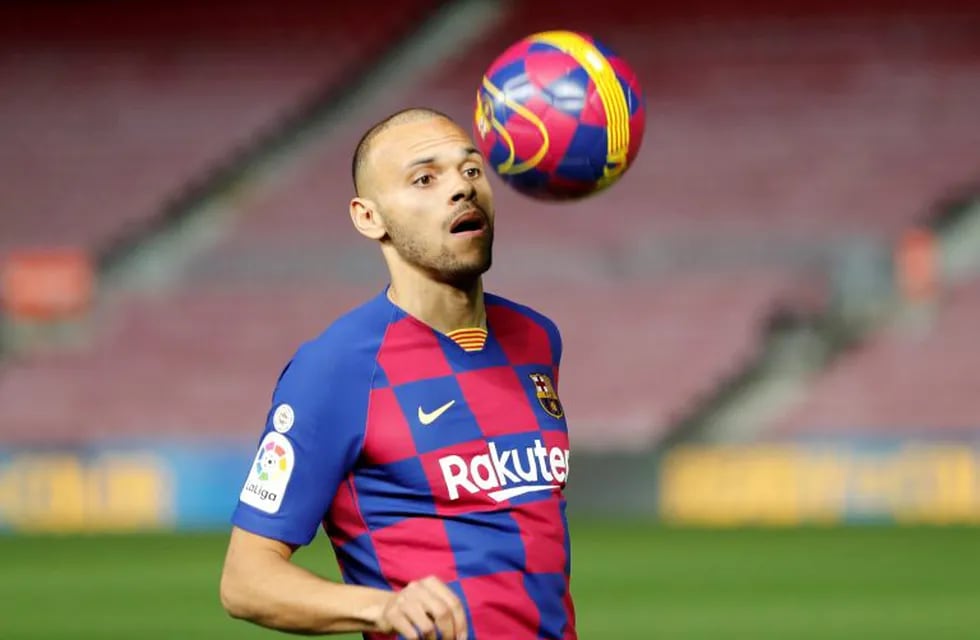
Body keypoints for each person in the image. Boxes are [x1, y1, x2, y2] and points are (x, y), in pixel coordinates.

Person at [219, 107, 575, 640]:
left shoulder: (536, 338)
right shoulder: (336, 370)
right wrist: (380, 609)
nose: (461, 189)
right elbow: (245, 581)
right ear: (369, 217)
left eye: (472, 170)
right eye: (425, 179)